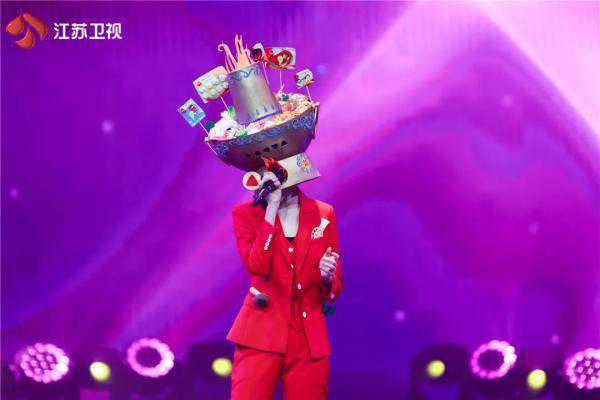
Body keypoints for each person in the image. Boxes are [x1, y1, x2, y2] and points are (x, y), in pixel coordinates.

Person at [228, 171, 342, 400]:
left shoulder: (323, 213)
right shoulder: (245, 213)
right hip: (260, 333)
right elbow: (257, 265)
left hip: (308, 338)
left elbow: (335, 287)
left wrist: (327, 276)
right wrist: (271, 209)